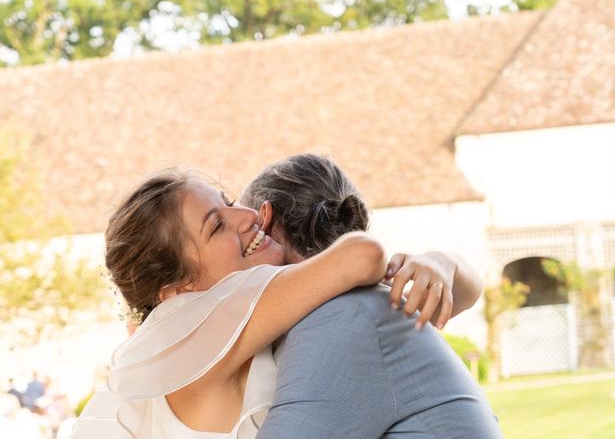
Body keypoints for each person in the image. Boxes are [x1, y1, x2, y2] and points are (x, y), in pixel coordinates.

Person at [72, 167, 468, 439]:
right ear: (178, 289)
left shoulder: (207, 336)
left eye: (229, 201)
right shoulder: (200, 321)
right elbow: (361, 256)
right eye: (217, 225)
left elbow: (433, 303)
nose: (247, 216)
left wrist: (441, 264)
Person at [242, 154, 502, 438]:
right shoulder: (354, 304)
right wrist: (445, 264)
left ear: (263, 223)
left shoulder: (340, 317)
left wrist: (444, 262)